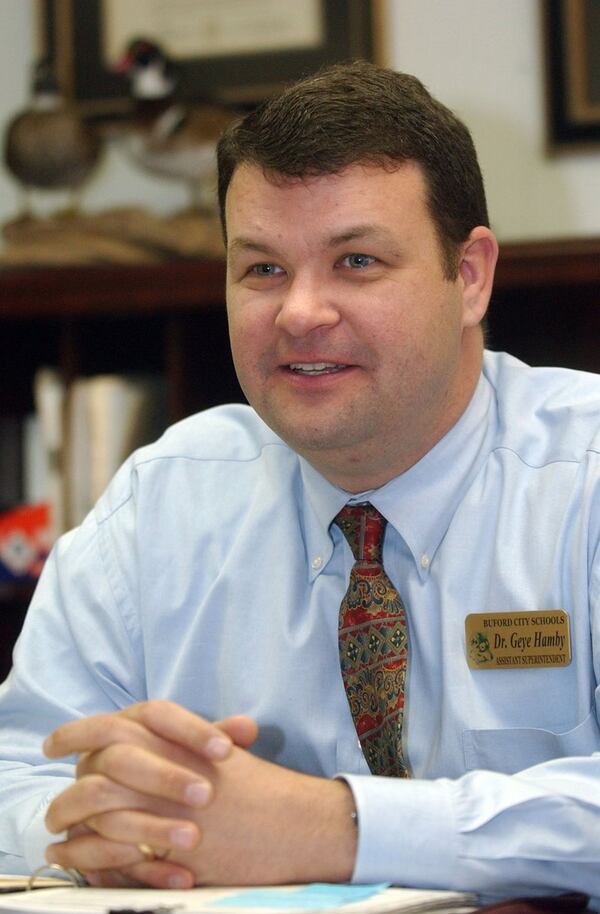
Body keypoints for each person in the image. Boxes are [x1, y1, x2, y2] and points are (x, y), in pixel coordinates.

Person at [0, 59, 598, 903]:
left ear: (469, 278)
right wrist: (113, 824)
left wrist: (330, 826)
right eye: (263, 270)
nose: (299, 313)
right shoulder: (162, 502)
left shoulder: (585, 479)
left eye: (356, 260)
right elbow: (18, 765)